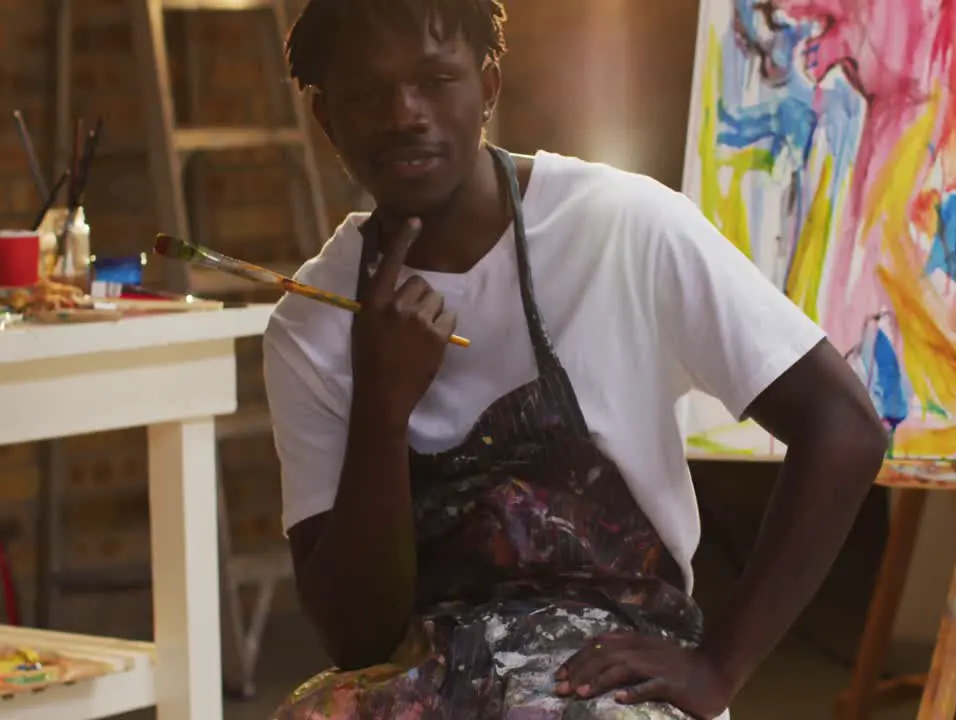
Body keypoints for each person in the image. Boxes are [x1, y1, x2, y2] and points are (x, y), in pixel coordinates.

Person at [262, 0, 888, 717]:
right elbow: (357, 637)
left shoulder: (622, 226)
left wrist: (719, 666)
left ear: (488, 87)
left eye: (435, 79)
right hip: (418, 672)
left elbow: (843, 427)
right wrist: (380, 404)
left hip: (602, 668)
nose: (404, 113)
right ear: (325, 119)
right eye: (367, 94)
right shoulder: (311, 322)